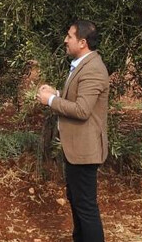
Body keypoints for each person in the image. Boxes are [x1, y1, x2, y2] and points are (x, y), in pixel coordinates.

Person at [38, 20, 109, 242]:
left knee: (86, 207)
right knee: (77, 201)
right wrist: (57, 92)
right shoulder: (83, 64)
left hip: (85, 150)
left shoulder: (94, 69)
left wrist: (50, 100)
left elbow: (82, 109)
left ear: (82, 42)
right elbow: (80, 97)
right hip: (77, 148)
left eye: (69, 36)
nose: (65, 40)